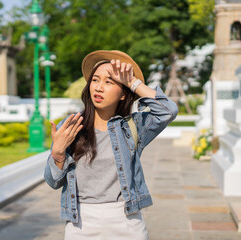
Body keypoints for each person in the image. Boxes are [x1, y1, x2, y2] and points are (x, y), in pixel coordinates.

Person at [44, 50, 178, 240]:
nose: (99, 87)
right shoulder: (72, 126)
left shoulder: (132, 127)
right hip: (80, 224)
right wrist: (57, 154)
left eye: (109, 82)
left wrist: (132, 82)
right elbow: (53, 182)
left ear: (123, 94)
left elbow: (168, 111)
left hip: (126, 221)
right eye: (95, 80)